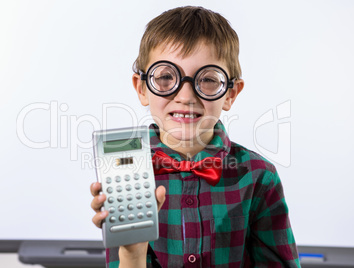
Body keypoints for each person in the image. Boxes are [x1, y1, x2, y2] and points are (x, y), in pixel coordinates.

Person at [90, 6, 300, 268]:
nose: (186, 96)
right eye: (166, 77)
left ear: (231, 94)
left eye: (208, 80)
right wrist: (131, 254)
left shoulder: (259, 176)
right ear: (142, 88)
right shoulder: (125, 169)